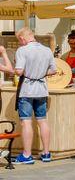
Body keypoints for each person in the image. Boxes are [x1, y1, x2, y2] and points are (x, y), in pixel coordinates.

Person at [12, 27, 57, 164]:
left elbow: (19, 71)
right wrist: (41, 73)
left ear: (22, 38)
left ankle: (27, 155)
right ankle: (46, 153)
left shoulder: (22, 50)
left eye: (20, 40)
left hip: (27, 89)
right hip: (42, 89)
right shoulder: (47, 50)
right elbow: (53, 70)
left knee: (26, 122)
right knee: (42, 120)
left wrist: (16, 68)